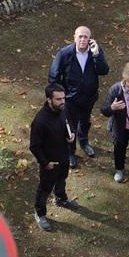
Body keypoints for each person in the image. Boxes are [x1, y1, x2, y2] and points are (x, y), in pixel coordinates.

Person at [48, 25, 109, 168]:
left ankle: (84, 142)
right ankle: (70, 152)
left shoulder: (95, 52)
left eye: (86, 37)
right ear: (74, 37)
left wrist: (97, 55)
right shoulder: (64, 53)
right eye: (80, 36)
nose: (82, 39)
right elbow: (53, 76)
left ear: (90, 39)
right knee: (70, 127)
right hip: (71, 99)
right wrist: (60, 96)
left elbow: (104, 71)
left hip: (89, 98)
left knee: (85, 122)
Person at [29, 83, 79, 231]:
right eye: (58, 99)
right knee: (45, 188)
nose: (62, 101)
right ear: (49, 100)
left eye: (63, 98)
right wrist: (45, 163)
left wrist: (72, 135)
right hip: (50, 162)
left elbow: (69, 123)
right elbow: (34, 146)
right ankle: (39, 213)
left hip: (63, 156)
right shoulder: (40, 121)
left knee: (62, 179)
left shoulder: (63, 109)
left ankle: (61, 198)